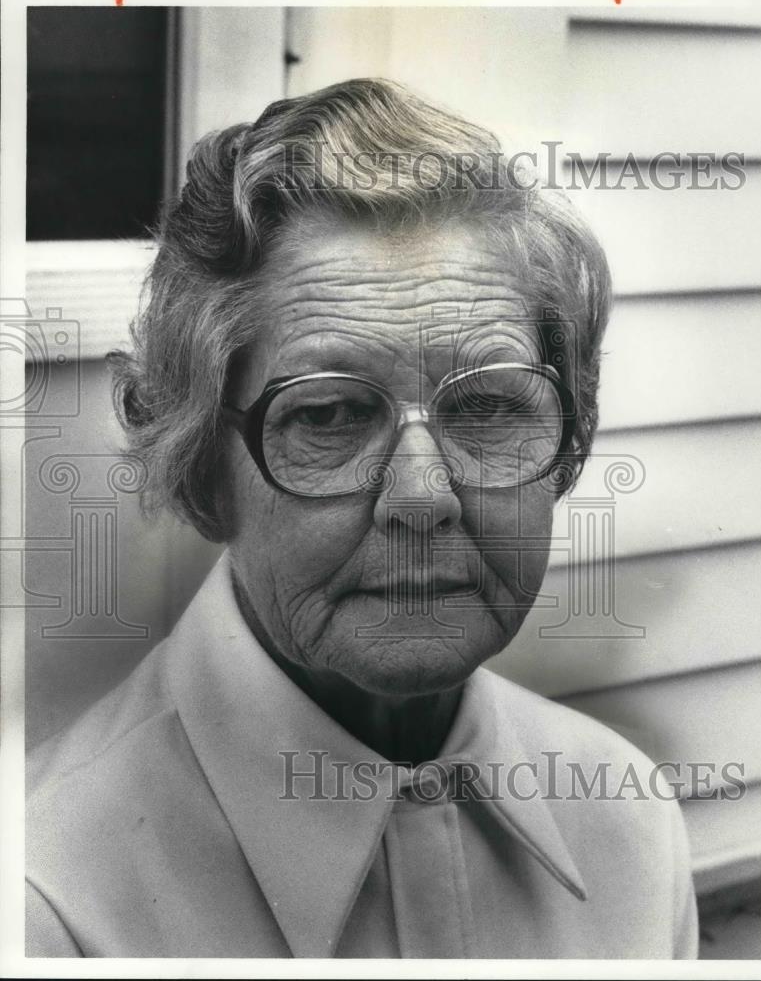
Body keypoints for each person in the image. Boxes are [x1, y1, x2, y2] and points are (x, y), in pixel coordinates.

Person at [26, 79, 698, 958]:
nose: (422, 496)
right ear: (201, 473)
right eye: (328, 414)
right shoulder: (50, 903)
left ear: (565, 445)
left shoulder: (627, 814)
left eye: (490, 407)